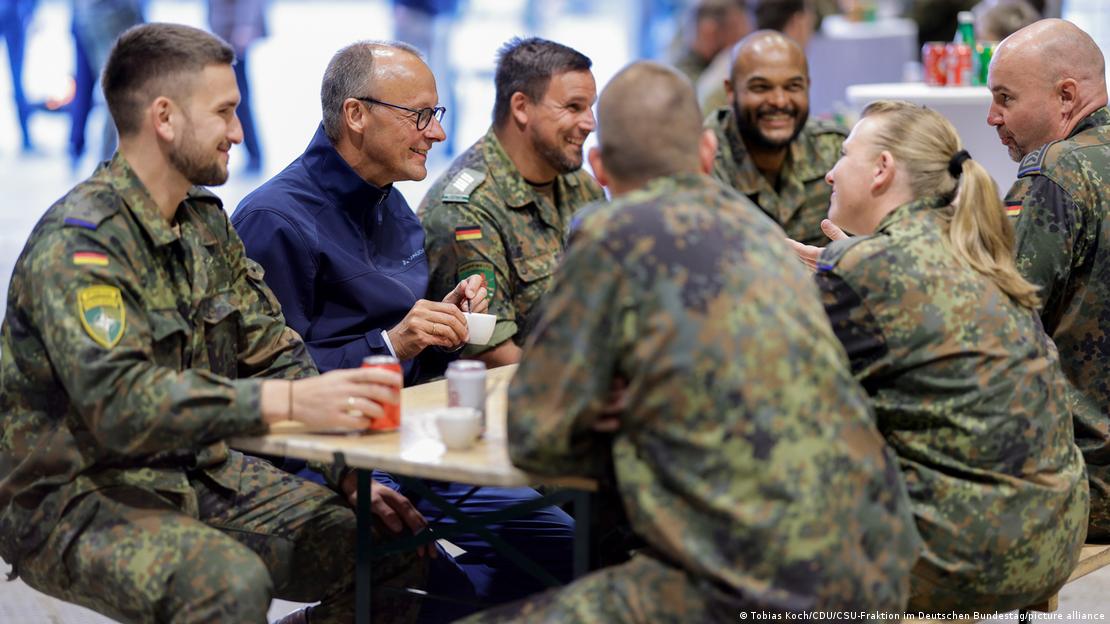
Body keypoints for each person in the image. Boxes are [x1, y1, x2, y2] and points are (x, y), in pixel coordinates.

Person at [460, 61, 920, 623]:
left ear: (599, 169)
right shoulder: (760, 232)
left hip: (752, 585)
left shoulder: (609, 236)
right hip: (879, 566)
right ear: (706, 153)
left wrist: (619, 410)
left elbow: (535, 441)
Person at [0, 23, 425, 624]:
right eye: (224, 112)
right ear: (165, 117)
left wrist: (344, 472)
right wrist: (288, 403)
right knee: (226, 585)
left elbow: (273, 345)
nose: (238, 132)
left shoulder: (202, 220)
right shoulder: (82, 245)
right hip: (74, 495)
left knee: (392, 547)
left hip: (196, 471)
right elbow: (121, 404)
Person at [232, 41, 576, 621]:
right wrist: (392, 344)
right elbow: (264, 382)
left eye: (435, 115)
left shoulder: (392, 207)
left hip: (414, 434)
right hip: (327, 451)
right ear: (356, 115)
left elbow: (402, 341)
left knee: (568, 553)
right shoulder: (275, 221)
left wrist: (443, 325)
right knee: (433, 589)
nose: (436, 134)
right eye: (420, 116)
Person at [815, 99, 1088, 612]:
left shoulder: (866, 266)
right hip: (1055, 538)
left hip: (963, 563)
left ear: (882, 169)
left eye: (845, 155)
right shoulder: (976, 251)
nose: (830, 173)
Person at [989, 18, 1110, 542]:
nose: (992, 116)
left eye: (1005, 98)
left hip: (1086, 485)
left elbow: (997, 322)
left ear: (1066, 96)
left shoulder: (1056, 172)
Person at [419, 37, 604, 367]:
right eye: (574, 107)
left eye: (591, 107)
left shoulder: (581, 186)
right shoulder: (466, 210)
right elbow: (490, 352)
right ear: (521, 107)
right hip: (520, 388)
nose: (590, 123)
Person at [707, 30, 846, 245]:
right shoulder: (703, 163)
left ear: (807, 87)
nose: (779, 101)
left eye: (793, 87)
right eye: (761, 87)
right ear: (731, 90)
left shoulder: (835, 149)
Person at [698, 0, 815, 111]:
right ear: (798, 23)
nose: (780, 101)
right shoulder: (735, 69)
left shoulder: (731, 59)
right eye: (760, 87)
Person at [207, 0, 267, 174]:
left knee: (237, 97)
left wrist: (245, 25)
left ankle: (254, 156)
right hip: (223, 35)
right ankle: (252, 156)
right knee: (229, 96)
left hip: (234, 37)